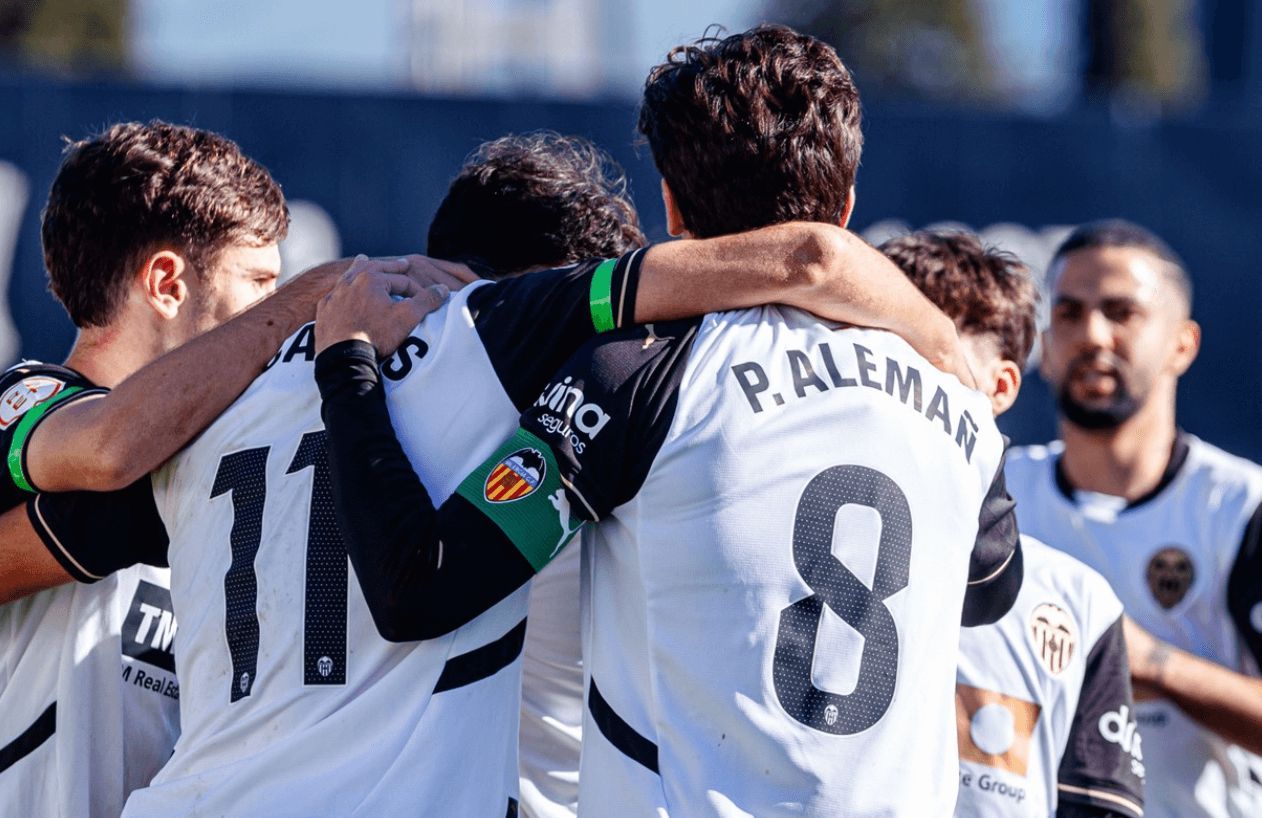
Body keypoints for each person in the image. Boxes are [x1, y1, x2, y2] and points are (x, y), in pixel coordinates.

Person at [18, 125, 967, 815]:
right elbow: (803, 260)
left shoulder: (202, 413)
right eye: (261, 281)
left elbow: (92, 491)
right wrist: (940, 347)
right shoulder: (511, 352)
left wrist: (316, 316)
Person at [313, 26, 1021, 816]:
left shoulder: (636, 372)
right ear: (848, 204)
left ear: (672, 206)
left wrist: (345, 368)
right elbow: (989, 593)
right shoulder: (959, 402)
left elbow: (420, 588)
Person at [0, 120, 423, 817]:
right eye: (259, 283)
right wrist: (305, 301)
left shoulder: (225, 454)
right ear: (167, 282)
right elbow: (109, 449)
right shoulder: (27, 397)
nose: (282, 317)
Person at [881, 230, 1144, 818]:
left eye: (931, 358)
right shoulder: (776, 533)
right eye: (877, 351)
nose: (896, 379)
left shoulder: (1078, 603)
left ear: (1000, 388)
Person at [1005, 219, 1262, 818]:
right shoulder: (995, 491)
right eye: (1069, 313)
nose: (1093, 335)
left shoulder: (1241, 508)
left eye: (1122, 313)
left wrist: (1151, 665)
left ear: (1182, 345)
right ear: (1044, 344)